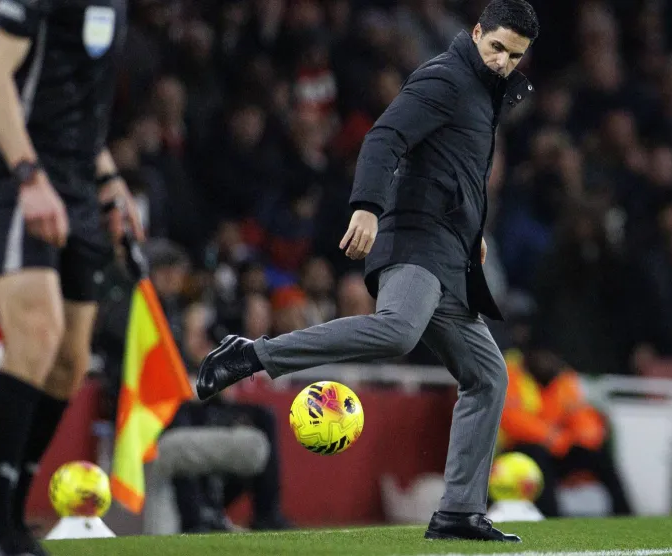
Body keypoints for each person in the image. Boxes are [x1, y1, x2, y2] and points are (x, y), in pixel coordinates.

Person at [196, 0, 538, 543]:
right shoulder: (446, 78)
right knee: (399, 330)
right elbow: (385, 137)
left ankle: (458, 513)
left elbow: (455, 169)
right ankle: (252, 354)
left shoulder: (483, 91)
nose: (502, 62)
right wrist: (367, 207)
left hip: (449, 251)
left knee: (489, 376)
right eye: (495, 47)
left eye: (514, 56)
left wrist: (472, 237)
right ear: (475, 33)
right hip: (415, 235)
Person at [0, 0, 142, 554]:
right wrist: (28, 174)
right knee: (35, 341)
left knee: (68, 365)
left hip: (78, 184)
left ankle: (12, 518)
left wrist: (110, 180)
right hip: (20, 175)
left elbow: (80, 104)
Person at [497, 346, 632, 517]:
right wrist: (549, 436)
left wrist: (587, 435)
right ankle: (551, 516)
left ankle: (625, 514)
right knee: (538, 455)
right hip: (518, 452)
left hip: (559, 446)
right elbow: (511, 419)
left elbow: (580, 413)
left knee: (599, 454)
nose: (547, 361)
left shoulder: (564, 378)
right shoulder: (513, 375)